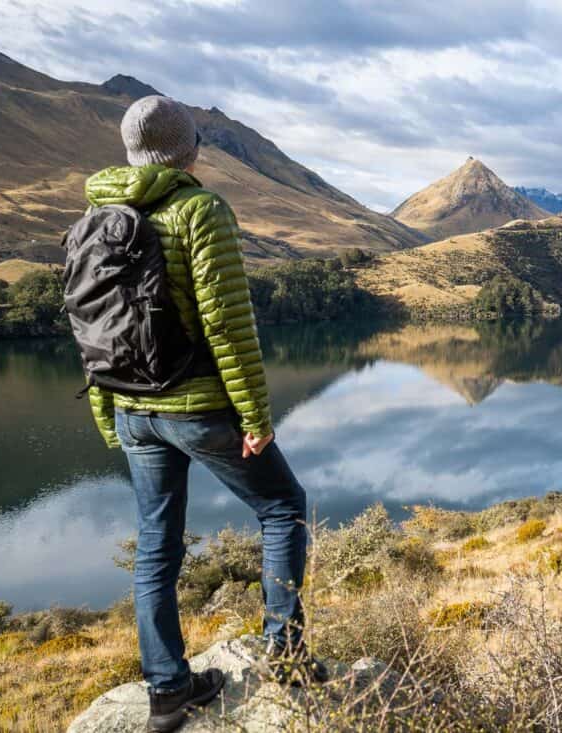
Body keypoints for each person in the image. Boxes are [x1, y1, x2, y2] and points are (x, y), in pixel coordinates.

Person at [81, 95, 322, 733]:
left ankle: (168, 691)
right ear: (188, 148)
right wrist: (255, 416)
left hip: (133, 407)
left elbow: (92, 325)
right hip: (199, 406)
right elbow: (228, 325)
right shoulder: (199, 208)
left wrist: (110, 414)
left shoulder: (98, 212)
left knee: (157, 544)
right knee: (283, 507)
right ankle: (286, 657)